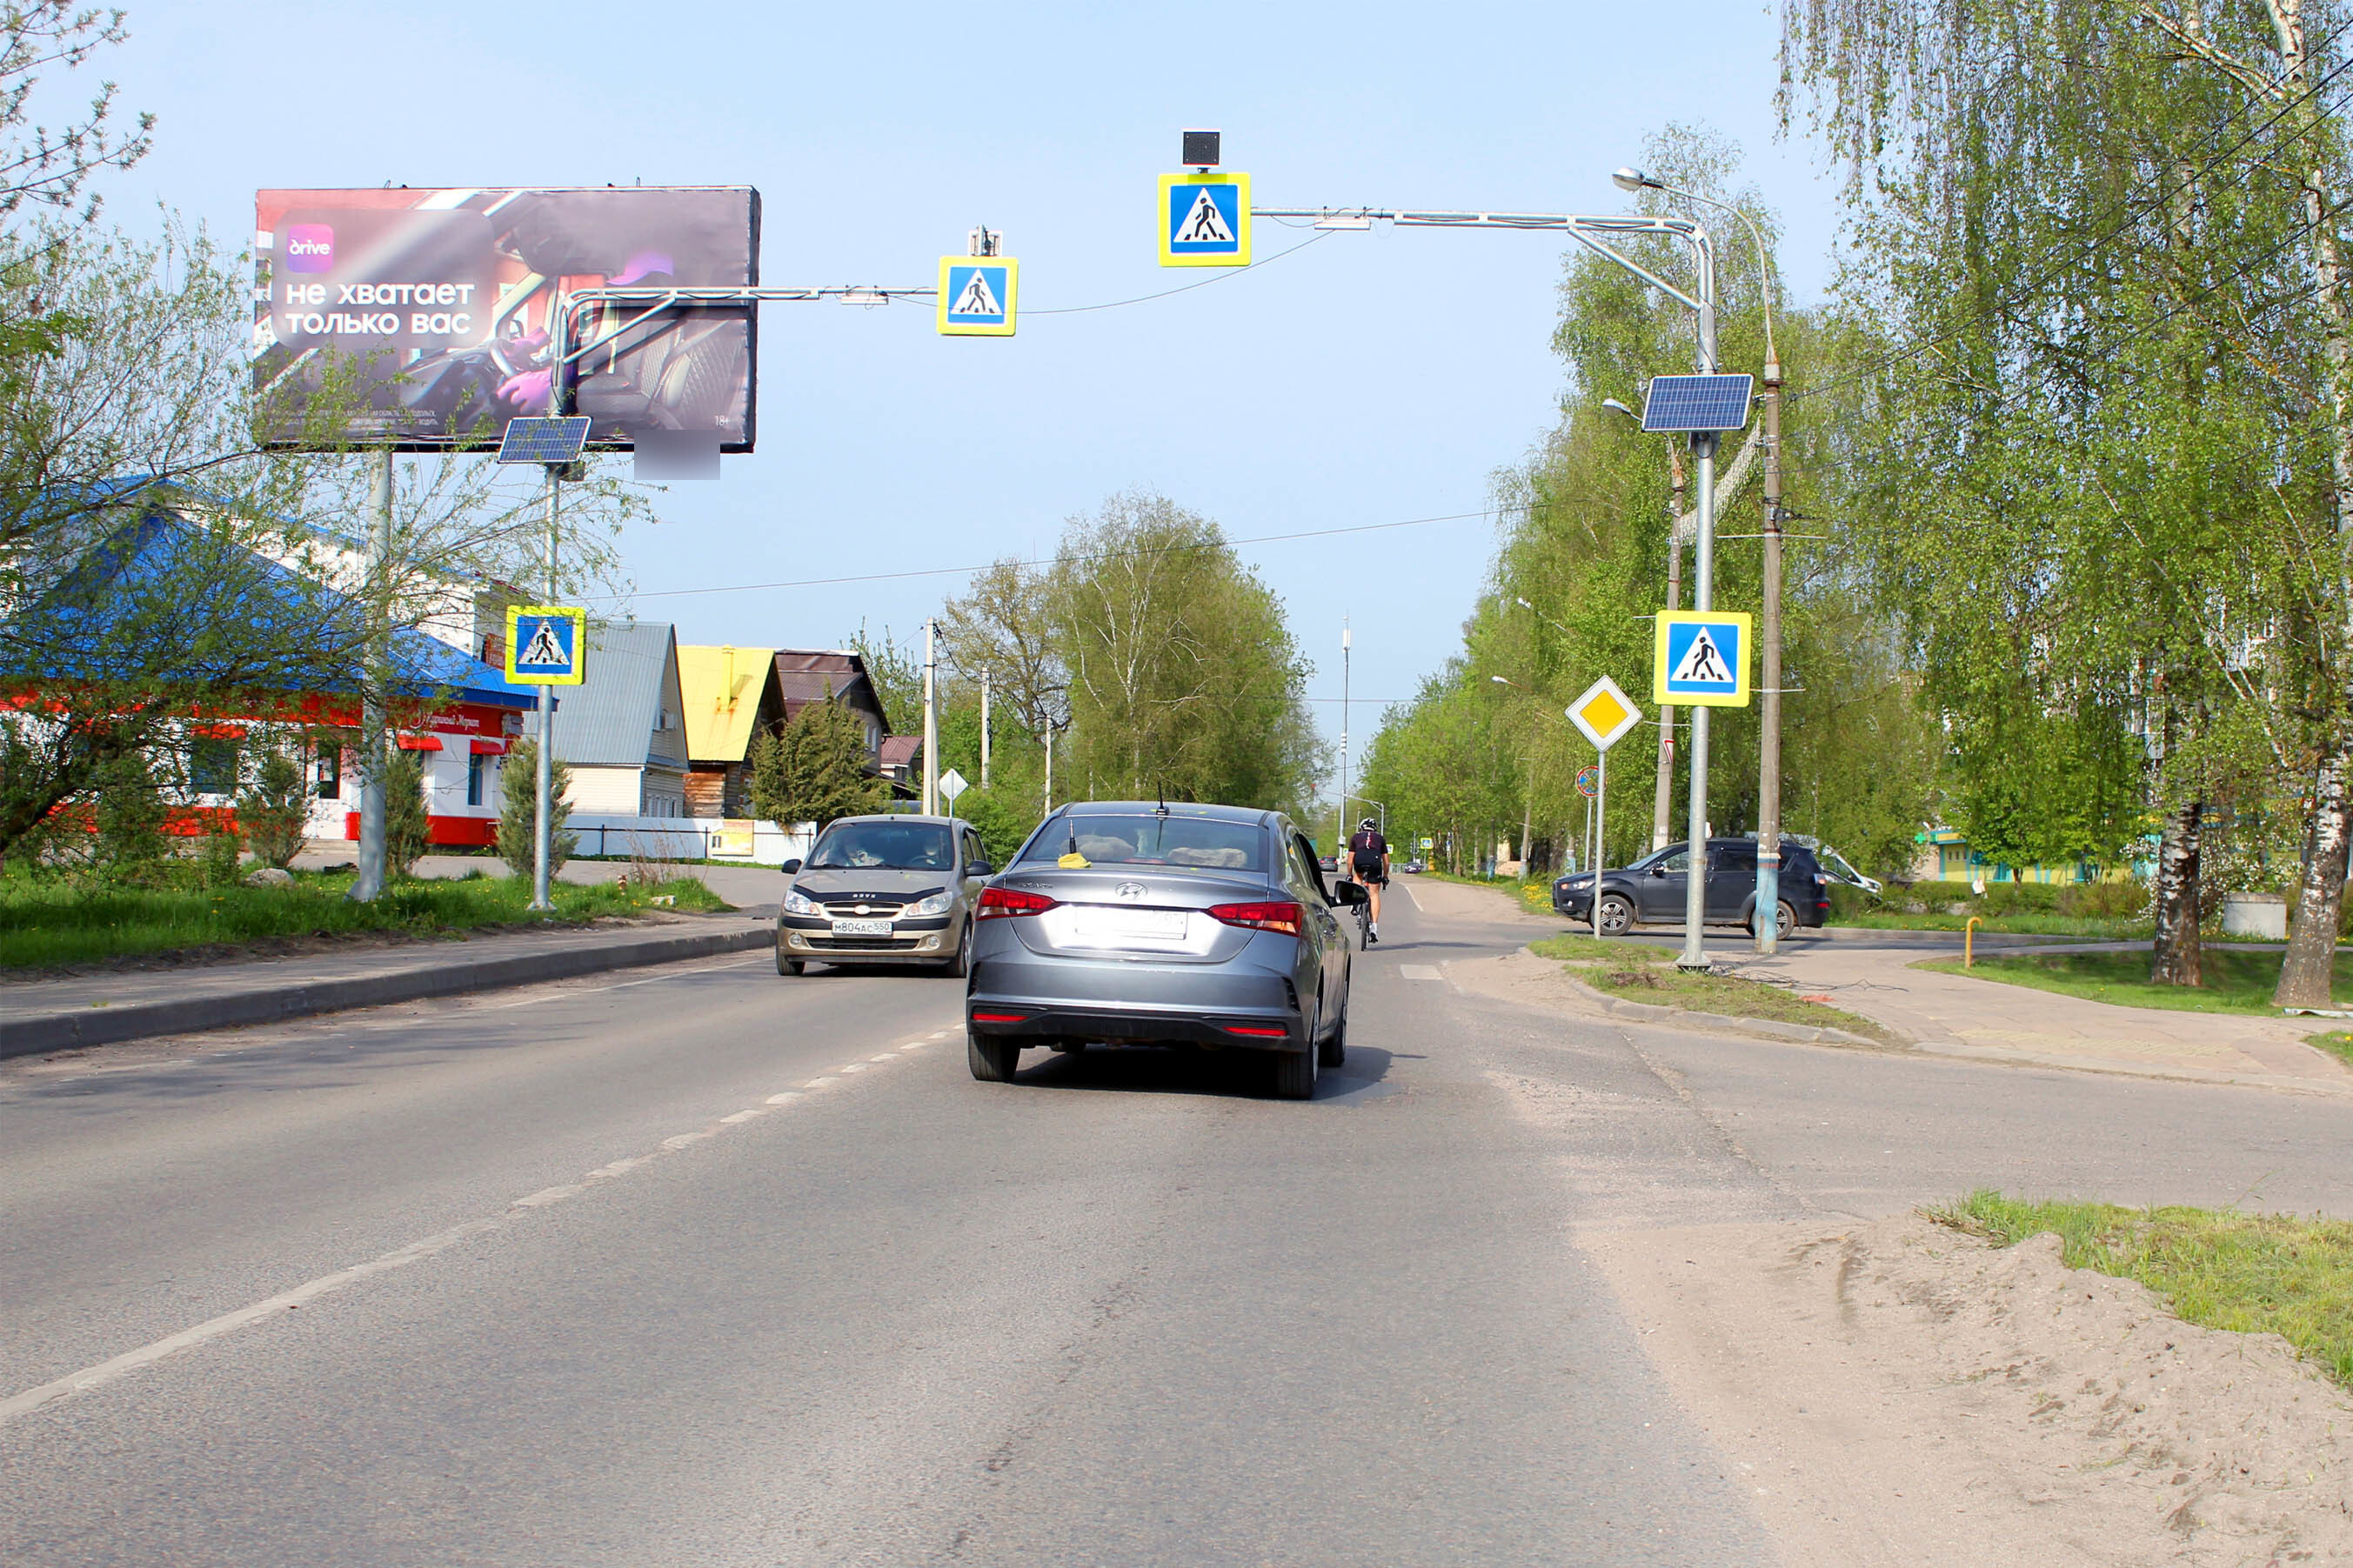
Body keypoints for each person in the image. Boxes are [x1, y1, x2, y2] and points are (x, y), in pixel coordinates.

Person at [1345, 817, 1390, 943]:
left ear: (1361, 827)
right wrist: (1385, 877)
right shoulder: (1380, 838)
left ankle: (1355, 903)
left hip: (1359, 860)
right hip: (1375, 862)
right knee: (1374, 894)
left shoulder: (1356, 837)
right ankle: (1374, 928)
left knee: (1357, 876)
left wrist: (1349, 874)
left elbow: (1350, 860)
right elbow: (1386, 861)